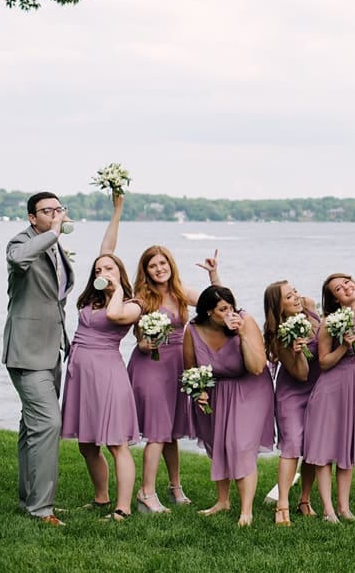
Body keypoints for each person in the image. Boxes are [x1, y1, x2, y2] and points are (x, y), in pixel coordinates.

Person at [118, 200, 221, 513]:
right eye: (153, 266)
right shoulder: (142, 298)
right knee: (158, 433)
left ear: (170, 266)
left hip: (178, 365)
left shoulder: (180, 293)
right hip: (151, 366)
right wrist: (147, 343)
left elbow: (218, 304)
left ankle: (175, 487)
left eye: (163, 264)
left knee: (171, 432)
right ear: (146, 271)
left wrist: (215, 275)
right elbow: (136, 334)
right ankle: (146, 494)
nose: (159, 269)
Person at [60, 194, 142, 521]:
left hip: (108, 375)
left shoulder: (131, 304)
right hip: (80, 372)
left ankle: (122, 508)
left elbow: (115, 315)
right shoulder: (92, 300)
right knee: (86, 443)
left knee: (115, 442)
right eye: (98, 268)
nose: (102, 269)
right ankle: (101, 497)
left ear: (119, 271)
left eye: (108, 267)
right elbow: (107, 246)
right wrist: (117, 210)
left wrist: (117, 286)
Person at [3, 191, 75, 526]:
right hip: (26, 350)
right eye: (48, 211)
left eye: (59, 209)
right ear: (33, 218)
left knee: (31, 426)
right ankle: (41, 509)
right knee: (48, 423)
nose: (56, 215)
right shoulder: (23, 241)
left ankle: (28, 499)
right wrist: (52, 233)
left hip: (51, 349)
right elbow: (19, 261)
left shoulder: (54, 245)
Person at [184, 285, 274, 527]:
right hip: (217, 391)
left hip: (251, 390)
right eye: (223, 309)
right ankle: (222, 501)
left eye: (231, 307)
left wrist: (243, 334)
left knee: (241, 446)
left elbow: (257, 367)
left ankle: (246, 511)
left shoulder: (245, 322)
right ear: (209, 313)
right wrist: (198, 391)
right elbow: (191, 368)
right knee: (220, 445)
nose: (230, 313)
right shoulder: (193, 330)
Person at [302, 273, 355, 523]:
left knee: (348, 449)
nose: (346, 287)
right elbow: (324, 363)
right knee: (325, 450)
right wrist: (344, 347)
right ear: (334, 299)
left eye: (347, 281)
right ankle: (328, 510)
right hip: (331, 391)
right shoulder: (329, 322)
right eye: (339, 287)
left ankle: (344, 508)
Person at [262, 280, 322, 526]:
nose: (296, 297)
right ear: (279, 306)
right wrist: (297, 351)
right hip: (293, 393)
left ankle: (305, 500)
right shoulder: (279, 336)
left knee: (312, 445)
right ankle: (282, 503)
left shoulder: (308, 306)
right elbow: (301, 374)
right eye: (289, 296)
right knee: (292, 447)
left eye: (295, 290)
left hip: (319, 389)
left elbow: (323, 337)